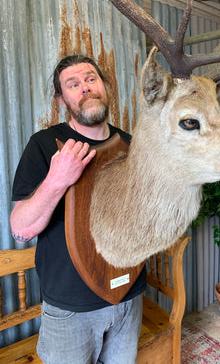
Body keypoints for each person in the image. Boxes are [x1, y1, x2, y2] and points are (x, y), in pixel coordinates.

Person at [10, 54, 146, 364]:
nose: (84, 88)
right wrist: (57, 180)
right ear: (62, 99)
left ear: (105, 86)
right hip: (70, 309)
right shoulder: (44, 146)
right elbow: (21, 230)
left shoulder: (132, 145)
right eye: (73, 84)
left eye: (90, 79)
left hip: (130, 296)